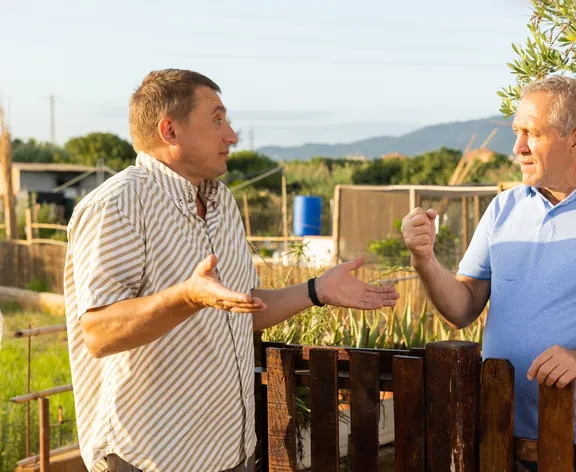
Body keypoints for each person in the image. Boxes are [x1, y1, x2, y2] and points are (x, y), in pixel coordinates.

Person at [64, 69, 399, 472]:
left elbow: (246, 311)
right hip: (152, 458)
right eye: (217, 120)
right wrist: (186, 297)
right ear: (170, 131)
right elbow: (98, 333)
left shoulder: (221, 202)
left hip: (230, 453)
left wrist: (317, 289)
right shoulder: (118, 204)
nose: (232, 136)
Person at [401, 76, 576, 470]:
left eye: (532, 133)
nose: (518, 148)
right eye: (517, 132)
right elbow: (462, 308)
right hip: (497, 426)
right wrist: (425, 260)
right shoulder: (502, 208)